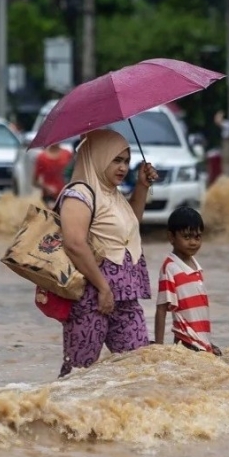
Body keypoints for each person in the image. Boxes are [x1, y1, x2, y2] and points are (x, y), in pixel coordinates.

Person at [57, 129, 158, 377]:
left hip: (125, 296)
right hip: (90, 299)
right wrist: (103, 288)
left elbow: (128, 226)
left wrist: (142, 187)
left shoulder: (113, 194)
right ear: (98, 157)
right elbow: (74, 244)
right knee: (78, 375)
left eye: (126, 161)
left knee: (139, 369)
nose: (123, 168)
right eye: (116, 160)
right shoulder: (79, 194)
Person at [154, 206, 221, 355]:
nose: (193, 242)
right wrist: (158, 348)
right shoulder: (170, 268)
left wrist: (207, 343)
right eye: (187, 237)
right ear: (171, 237)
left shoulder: (196, 266)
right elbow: (161, 308)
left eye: (197, 237)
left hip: (200, 344)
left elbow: (198, 313)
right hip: (186, 344)